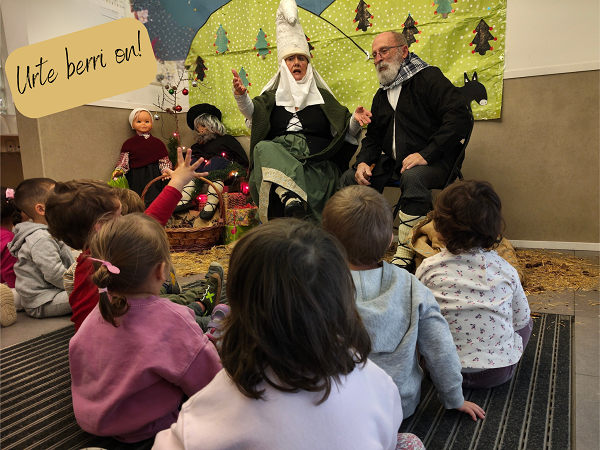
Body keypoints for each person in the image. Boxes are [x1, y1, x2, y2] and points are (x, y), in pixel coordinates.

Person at [153, 218, 424, 450]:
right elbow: (387, 438)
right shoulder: (378, 383)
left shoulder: (208, 408)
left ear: (239, 306)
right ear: (342, 298)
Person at [322, 185, 485, 420]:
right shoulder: (411, 286)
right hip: (398, 406)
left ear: (326, 242)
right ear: (391, 240)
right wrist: (454, 398)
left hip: (335, 409)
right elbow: (440, 348)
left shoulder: (315, 288)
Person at [69, 213, 222, 443]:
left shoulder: (100, 310)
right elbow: (210, 384)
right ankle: (210, 324)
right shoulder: (172, 320)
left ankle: (201, 310)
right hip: (149, 428)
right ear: (161, 270)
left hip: (93, 419)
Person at [46, 148, 221, 332]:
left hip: (98, 340)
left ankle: (194, 305)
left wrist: (177, 181)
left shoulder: (85, 265)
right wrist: (177, 182)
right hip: (133, 338)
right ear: (101, 227)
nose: (127, 221)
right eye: (120, 216)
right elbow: (152, 220)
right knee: (171, 312)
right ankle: (202, 312)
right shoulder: (114, 256)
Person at [339, 31, 472, 270]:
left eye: (384, 51)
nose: (378, 58)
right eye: (374, 55)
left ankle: (407, 249)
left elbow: (459, 117)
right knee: (350, 177)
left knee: (413, 176)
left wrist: (426, 154)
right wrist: (363, 162)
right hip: (396, 162)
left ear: (404, 51)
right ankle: (358, 245)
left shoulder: (429, 77)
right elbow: (374, 137)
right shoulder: (381, 95)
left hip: (436, 161)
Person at [231, 0, 371, 222]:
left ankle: (292, 200)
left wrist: (354, 120)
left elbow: (344, 133)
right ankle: (290, 197)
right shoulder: (272, 97)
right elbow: (253, 114)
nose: (296, 63)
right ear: (283, 65)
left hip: (316, 163)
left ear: (307, 64)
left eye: (301, 58)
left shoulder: (323, 97)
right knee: (262, 147)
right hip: (280, 161)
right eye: (290, 59)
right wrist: (241, 95)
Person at [415, 180, 532, 389]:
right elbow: (521, 321)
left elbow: (414, 318)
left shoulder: (428, 268)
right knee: (527, 321)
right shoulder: (506, 269)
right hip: (497, 373)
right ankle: (502, 353)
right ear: (494, 228)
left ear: (439, 228)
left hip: (441, 372)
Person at [7, 178, 74, 318]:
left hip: (53, 292)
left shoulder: (48, 232)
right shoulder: (41, 238)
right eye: (58, 198)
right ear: (41, 209)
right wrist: (80, 285)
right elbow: (55, 274)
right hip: (44, 301)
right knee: (95, 294)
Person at [175, 103, 249, 218]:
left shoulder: (226, 140)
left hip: (223, 173)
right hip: (198, 176)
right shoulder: (197, 146)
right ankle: (185, 198)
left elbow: (242, 159)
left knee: (215, 162)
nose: (201, 129)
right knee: (194, 161)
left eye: (203, 126)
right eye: (198, 127)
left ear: (213, 125)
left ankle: (211, 204)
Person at [112, 108, 173, 207]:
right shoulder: (129, 143)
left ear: (152, 124)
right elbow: (124, 160)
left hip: (153, 173)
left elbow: (163, 160)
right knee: (137, 195)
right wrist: (120, 170)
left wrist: (166, 170)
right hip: (136, 175)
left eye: (147, 121)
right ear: (132, 124)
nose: (143, 124)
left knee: (154, 195)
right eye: (139, 121)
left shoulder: (158, 143)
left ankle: (153, 209)